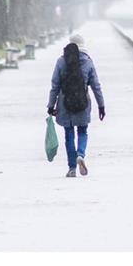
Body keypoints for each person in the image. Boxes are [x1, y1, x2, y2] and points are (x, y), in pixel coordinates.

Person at [47, 34, 105, 177]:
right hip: (82, 103)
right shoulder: (88, 62)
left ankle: (72, 168)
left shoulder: (61, 62)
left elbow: (55, 85)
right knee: (82, 131)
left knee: (69, 135)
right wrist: (101, 105)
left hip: (64, 103)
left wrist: (51, 105)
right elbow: (96, 86)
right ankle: (80, 154)